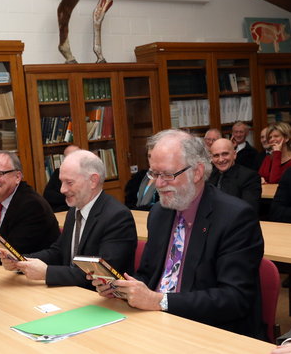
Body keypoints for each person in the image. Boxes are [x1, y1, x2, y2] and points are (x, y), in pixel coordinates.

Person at [92, 129, 265, 340]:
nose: (158, 183)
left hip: (207, 332)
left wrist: (159, 301)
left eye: (167, 175)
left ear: (197, 172)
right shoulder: (159, 213)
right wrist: (121, 288)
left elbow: (234, 299)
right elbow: (148, 274)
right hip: (153, 324)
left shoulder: (235, 217)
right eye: (154, 174)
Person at [0, 149, 137, 289]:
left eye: (69, 182)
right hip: (73, 292)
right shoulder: (73, 211)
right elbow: (59, 252)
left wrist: (47, 273)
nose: (62, 189)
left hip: (103, 299)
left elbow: (103, 274)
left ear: (93, 181)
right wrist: (21, 261)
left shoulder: (117, 217)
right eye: (61, 182)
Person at [208, 138, 261, 213]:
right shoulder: (208, 175)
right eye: (216, 155)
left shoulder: (249, 177)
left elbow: (248, 211)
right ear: (211, 158)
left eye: (225, 154)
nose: (221, 159)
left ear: (234, 155)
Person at [43, 144, 80, 212]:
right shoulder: (58, 173)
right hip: (60, 211)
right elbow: (47, 195)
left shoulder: (84, 174)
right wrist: (69, 197)